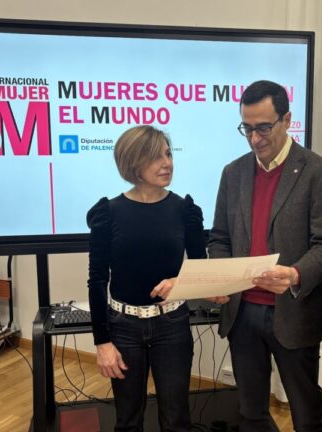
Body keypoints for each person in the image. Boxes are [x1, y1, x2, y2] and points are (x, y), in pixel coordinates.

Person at [208, 80, 322, 432]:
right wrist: (221, 275)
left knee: (305, 412)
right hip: (242, 313)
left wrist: (294, 274)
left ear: (287, 120)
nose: (255, 138)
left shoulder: (318, 172)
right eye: (247, 129)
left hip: (294, 312)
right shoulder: (233, 173)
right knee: (251, 412)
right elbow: (219, 238)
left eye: (264, 127)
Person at [86, 125, 206, 432]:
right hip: (123, 327)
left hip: (172, 325)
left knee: (177, 419)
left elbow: (199, 268)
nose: (167, 163)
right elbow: (97, 279)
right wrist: (102, 342)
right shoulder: (108, 212)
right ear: (133, 162)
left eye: (168, 154)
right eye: (156, 157)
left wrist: (182, 283)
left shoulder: (184, 210)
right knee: (127, 420)